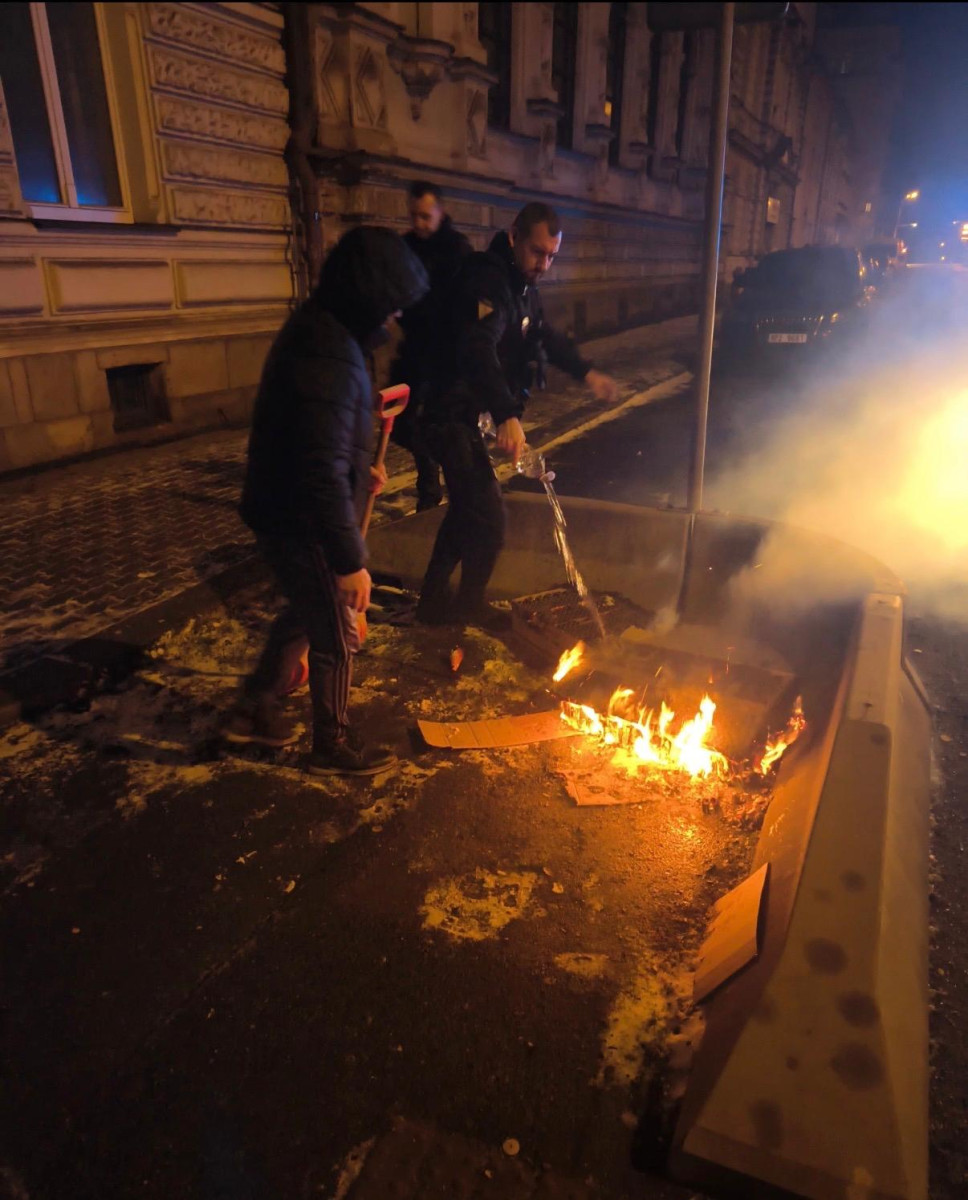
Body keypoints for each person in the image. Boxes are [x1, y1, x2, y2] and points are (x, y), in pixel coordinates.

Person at [225, 226, 429, 776]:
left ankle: (252, 706)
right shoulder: (331, 349)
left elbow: (323, 434)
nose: (396, 319)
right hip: (300, 516)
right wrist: (350, 562)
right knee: (336, 630)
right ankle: (332, 745)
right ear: (370, 295)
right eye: (392, 305)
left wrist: (361, 470)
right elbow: (317, 466)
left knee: (304, 612)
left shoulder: (331, 333)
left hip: (284, 505)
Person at [415, 201, 620, 629]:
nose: (543, 264)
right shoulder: (487, 280)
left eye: (551, 256)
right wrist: (507, 414)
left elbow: (541, 333)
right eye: (537, 252)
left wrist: (586, 371)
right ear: (514, 237)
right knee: (489, 516)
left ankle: (432, 605)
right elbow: (477, 347)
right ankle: (465, 605)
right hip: (444, 410)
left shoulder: (522, 286)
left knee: (466, 510)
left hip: (467, 413)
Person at [390, 181, 472, 511]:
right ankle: (432, 480)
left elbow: (464, 303)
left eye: (425, 216)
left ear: (440, 211)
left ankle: (433, 493)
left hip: (446, 355)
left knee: (436, 422)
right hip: (414, 350)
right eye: (414, 216)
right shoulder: (406, 246)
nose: (419, 223)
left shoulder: (457, 249)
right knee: (401, 424)